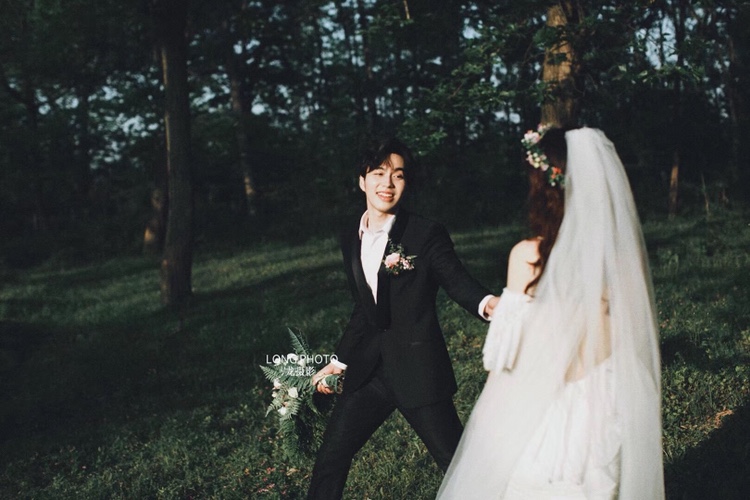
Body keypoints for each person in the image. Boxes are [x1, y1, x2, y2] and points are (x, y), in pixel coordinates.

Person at [437, 127, 665, 499]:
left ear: (543, 190)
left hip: (543, 413)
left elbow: (505, 360)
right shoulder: (622, 261)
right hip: (603, 408)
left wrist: (491, 430)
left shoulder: (527, 256)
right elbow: (630, 344)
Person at [307, 136, 500, 499]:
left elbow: (456, 280)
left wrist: (488, 303)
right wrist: (339, 361)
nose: (388, 183)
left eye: (398, 175)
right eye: (379, 173)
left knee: (457, 466)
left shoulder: (424, 233)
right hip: (369, 373)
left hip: (417, 370)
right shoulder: (350, 236)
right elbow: (365, 308)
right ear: (362, 181)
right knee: (330, 459)